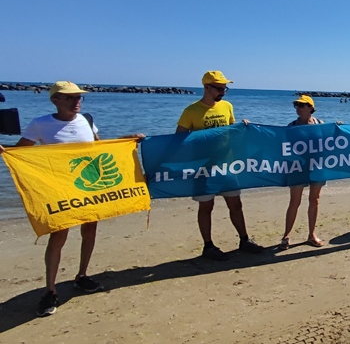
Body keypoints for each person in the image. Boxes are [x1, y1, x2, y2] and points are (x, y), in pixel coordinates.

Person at [0, 81, 144, 317]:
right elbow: (20, 153)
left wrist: (125, 140)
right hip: (60, 190)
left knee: (90, 230)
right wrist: (4, 150)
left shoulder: (86, 120)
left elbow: (98, 149)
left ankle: (82, 276)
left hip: (89, 188)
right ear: (55, 100)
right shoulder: (41, 124)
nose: (76, 101)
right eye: (69, 97)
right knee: (59, 236)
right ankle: (50, 290)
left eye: (78, 97)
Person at [176, 71, 264, 261]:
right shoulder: (191, 111)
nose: (223, 92)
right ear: (206, 87)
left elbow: (232, 131)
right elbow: (178, 139)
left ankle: (244, 240)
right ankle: (208, 246)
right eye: (219, 88)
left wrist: (244, 127)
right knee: (206, 206)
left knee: (236, 204)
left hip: (227, 165)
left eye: (225, 88)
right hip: (203, 168)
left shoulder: (227, 106)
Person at [281, 95, 329, 249]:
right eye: (296, 105)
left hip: (316, 166)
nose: (298, 108)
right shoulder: (292, 126)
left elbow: (332, 142)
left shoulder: (320, 124)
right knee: (294, 201)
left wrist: (338, 128)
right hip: (297, 167)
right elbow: (281, 145)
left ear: (310, 108)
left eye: (302, 105)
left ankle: (311, 235)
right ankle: (286, 236)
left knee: (314, 200)